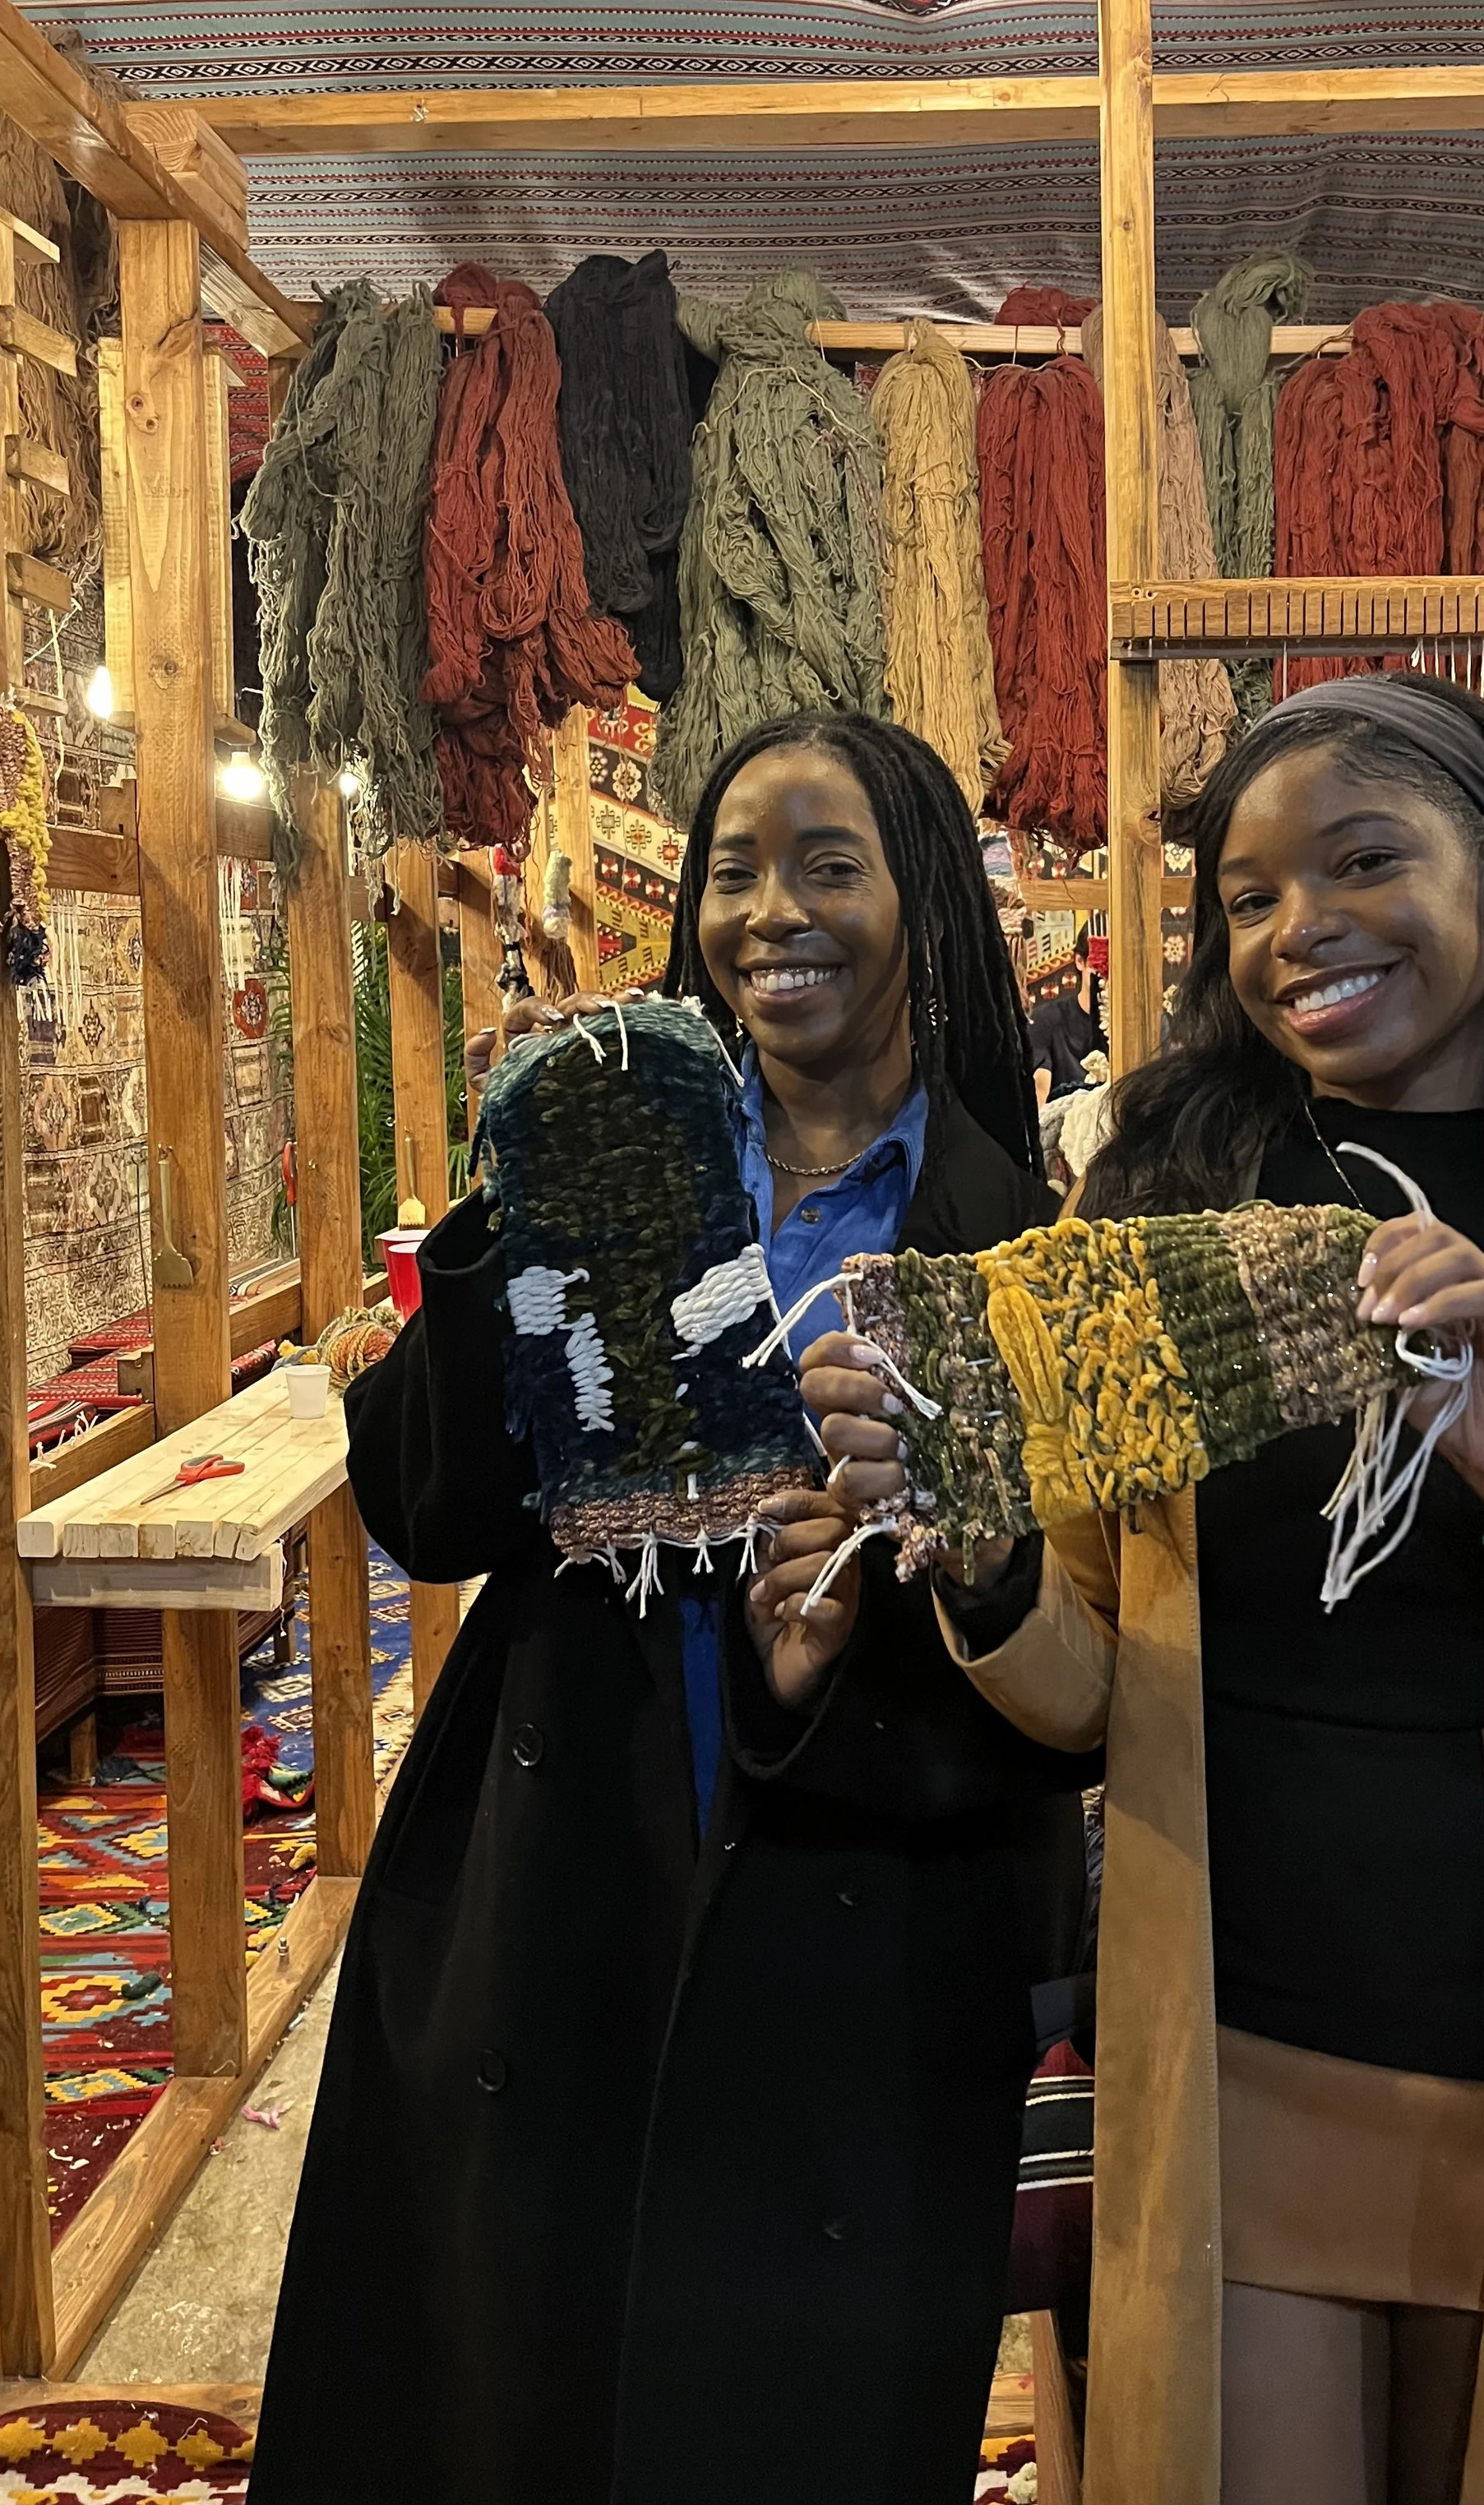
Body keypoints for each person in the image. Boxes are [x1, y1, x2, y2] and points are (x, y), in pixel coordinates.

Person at [790, 675, 1484, 2505]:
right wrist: (965, 1544)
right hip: (1233, 2052)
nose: (1299, 930)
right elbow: (1080, 1689)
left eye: (1364, 860)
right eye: (1246, 894)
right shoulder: (1141, 1226)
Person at [249, 711, 1097, 2505]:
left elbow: (1056, 1683)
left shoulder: (1011, 1240)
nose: (766, 910)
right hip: (567, 1873)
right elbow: (425, 1505)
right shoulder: (623, 1147)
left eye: (826, 862)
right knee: (516, 2393)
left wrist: (826, 1670)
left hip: (859, 1927)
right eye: (731, 868)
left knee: (792, 2425)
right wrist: (514, 1210)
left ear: (923, 899)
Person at [1028, 926, 1107, 1103]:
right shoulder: (1045, 1020)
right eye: (1100, 966)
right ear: (1080, 961)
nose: (1107, 976)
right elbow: (1039, 1088)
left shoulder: (1146, 1026)